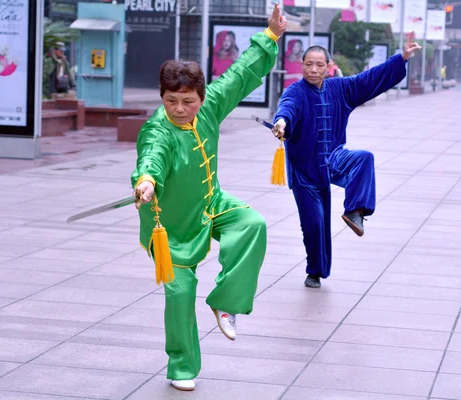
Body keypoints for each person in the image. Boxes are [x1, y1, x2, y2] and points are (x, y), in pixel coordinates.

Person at [131, 4, 287, 392]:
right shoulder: (158, 130)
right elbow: (149, 156)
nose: (180, 109)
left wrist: (269, 36)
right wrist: (146, 181)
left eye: (188, 101)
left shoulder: (211, 106)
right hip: (171, 226)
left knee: (252, 223)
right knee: (180, 293)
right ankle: (182, 367)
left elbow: (241, 73)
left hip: (211, 204)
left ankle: (225, 301)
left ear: (201, 96)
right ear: (162, 97)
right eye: (171, 101)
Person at [272, 32, 421, 289]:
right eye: (309, 64)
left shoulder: (341, 88)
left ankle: (355, 211)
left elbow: (370, 79)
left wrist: (402, 58)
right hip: (305, 171)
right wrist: (281, 121)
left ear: (329, 67)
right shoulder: (294, 91)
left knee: (364, 158)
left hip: (334, 157)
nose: (314, 69)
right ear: (302, 65)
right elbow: (286, 107)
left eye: (320, 65)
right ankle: (315, 272)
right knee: (315, 224)